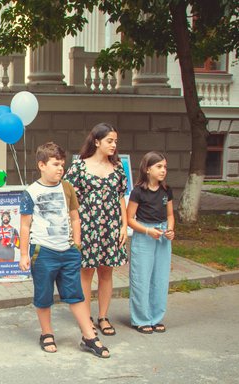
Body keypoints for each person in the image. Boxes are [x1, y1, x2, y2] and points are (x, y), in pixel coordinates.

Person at [19, 142, 109, 358]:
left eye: (62, 164)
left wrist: (76, 245)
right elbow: (24, 225)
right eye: (55, 164)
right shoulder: (31, 192)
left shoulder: (67, 187)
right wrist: (24, 254)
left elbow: (75, 217)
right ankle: (46, 333)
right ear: (42, 165)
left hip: (68, 251)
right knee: (43, 295)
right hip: (43, 252)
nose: (60, 168)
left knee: (75, 294)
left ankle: (89, 336)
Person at [64, 122, 128, 337]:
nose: (113, 145)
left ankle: (103, 316)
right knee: (86, 273)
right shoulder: (80, 167)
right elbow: (69, 198)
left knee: (106, 272)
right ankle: (86, 317)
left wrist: (123, 226)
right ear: (97, 141)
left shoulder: (117, 168)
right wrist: (74, 228)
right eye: (110, 141)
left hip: (111, 226)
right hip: (87, 226)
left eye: (115, 141)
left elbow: (121, 199)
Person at [126, 151, 174, 334]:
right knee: (141, 278)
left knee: (160, 278)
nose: (163, 171)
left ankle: (156, 317)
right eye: (159, 167)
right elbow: (130, 219)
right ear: (147, 169)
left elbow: (170, 215)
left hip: (162, 234)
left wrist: (170, 230)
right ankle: (141, 319)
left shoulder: (166, 190)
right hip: (145, 234)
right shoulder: (138, 192)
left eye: (165, 167)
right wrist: (147, 231)